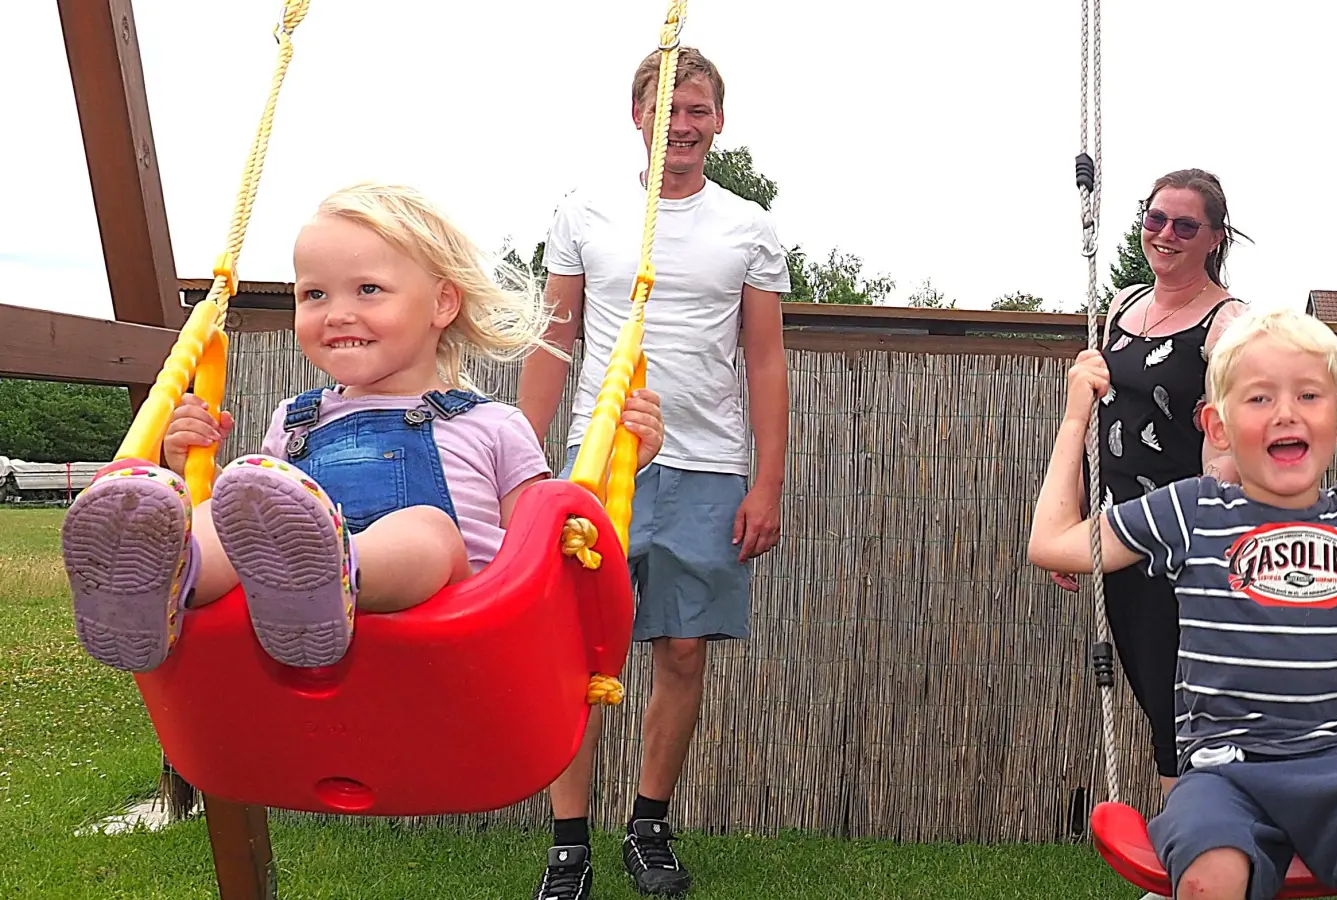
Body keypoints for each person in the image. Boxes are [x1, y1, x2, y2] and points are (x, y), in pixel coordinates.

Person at [60, 182, 664, 672]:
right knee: (230, 502)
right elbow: (255, 526)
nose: (337, 313)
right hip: (289, 637)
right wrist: (195, 468)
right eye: (314, 293)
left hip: (455, 634)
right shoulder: (294, 419)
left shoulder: (494, 425)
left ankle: (333, 572)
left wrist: (614, 471)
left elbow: (546, 544)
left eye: (368, 290)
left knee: (428, 529)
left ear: (442, 305)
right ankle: (155, 578)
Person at [1028, 308, 1337, 900]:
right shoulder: (1193, 513)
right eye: (1259, 399)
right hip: (1223, 770)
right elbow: (1052, 543)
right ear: (1218, 427)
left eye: (1308, 395)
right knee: (1211, 872)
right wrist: (1077, 413)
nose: (1286, 412)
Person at [516, 46, 790, 900]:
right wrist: (523, 463)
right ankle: (569, 842)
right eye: (667, 108)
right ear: (637, 116)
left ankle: (648, 825)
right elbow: (555, 338)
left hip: (708, 465)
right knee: (575, 652)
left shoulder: (748, 226)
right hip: (598, 464)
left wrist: (768, 484)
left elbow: (767, 360)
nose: (682, 125)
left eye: (698, 110)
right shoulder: (586, 211)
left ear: (719, 122)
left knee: (679, 648)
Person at [1059, 168, 1250, 807]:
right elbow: (1102, 422)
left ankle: (1198, 855)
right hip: (1118, 535)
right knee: (1150, 689)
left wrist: (1213, 542)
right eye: (1155, 218)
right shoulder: (1121, 305)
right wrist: (1078, 514)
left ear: (1214, 238)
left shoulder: (1228, 323)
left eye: (1185, 225)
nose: (1165, 234)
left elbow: (1228, 447)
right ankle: (1192, 855)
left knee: (1185, 703)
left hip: (1184, 544)